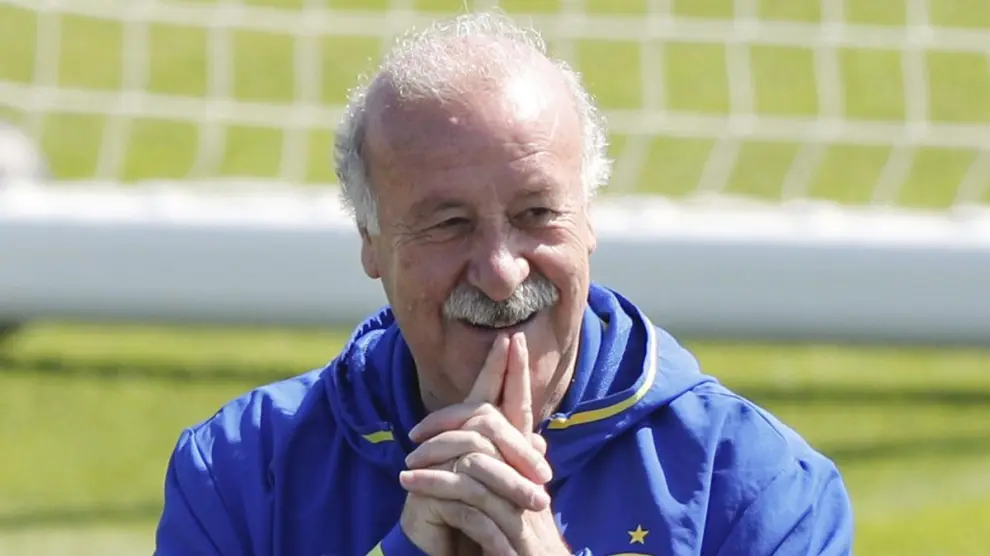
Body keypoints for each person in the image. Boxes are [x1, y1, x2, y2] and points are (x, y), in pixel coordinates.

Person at [153, 10, 854, 556]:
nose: (500, 271)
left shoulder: (759, 485)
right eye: (449, 224)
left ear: (588, 219)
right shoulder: (242, 471)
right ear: (370, 240)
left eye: (536, 214)